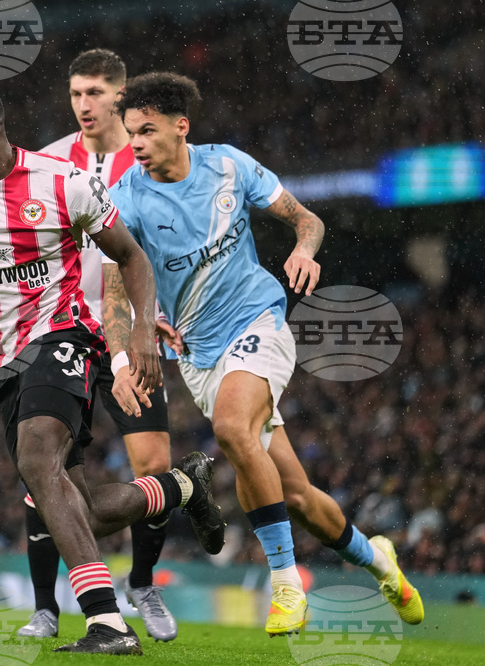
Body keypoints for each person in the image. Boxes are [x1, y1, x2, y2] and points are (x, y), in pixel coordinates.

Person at [106, 71, 424, 636]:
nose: (136, 144)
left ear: (181, 127)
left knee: (232, 429)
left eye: (147, 131)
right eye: (130, 133)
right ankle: (381, 564)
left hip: (258, 318)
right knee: (296, 495)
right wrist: (132, 341)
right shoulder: (127, 196)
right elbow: (114, 286)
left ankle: (285, 584)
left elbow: (307, 219)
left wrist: (304, 249)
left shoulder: (229, 165)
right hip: (199, 354)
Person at [0, 79, 225, 655]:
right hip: (4, 360)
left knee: (38, 457)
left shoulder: (62, 181)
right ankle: (181, 486)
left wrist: (140, 327)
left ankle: (106, 622)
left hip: (63, 334)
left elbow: (131, 256)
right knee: (73, 506)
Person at [16, 49, 177, 643]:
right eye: (75, 93)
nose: (83, 105)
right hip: (62, 329)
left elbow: (156, 245)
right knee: (44, 467)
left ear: (120, 95)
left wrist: (154, 315)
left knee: (153, 464)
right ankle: (45, 608)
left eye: (95, 93)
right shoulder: (49, 161)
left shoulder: (146, 157)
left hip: (128, 330)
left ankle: (143, 583)